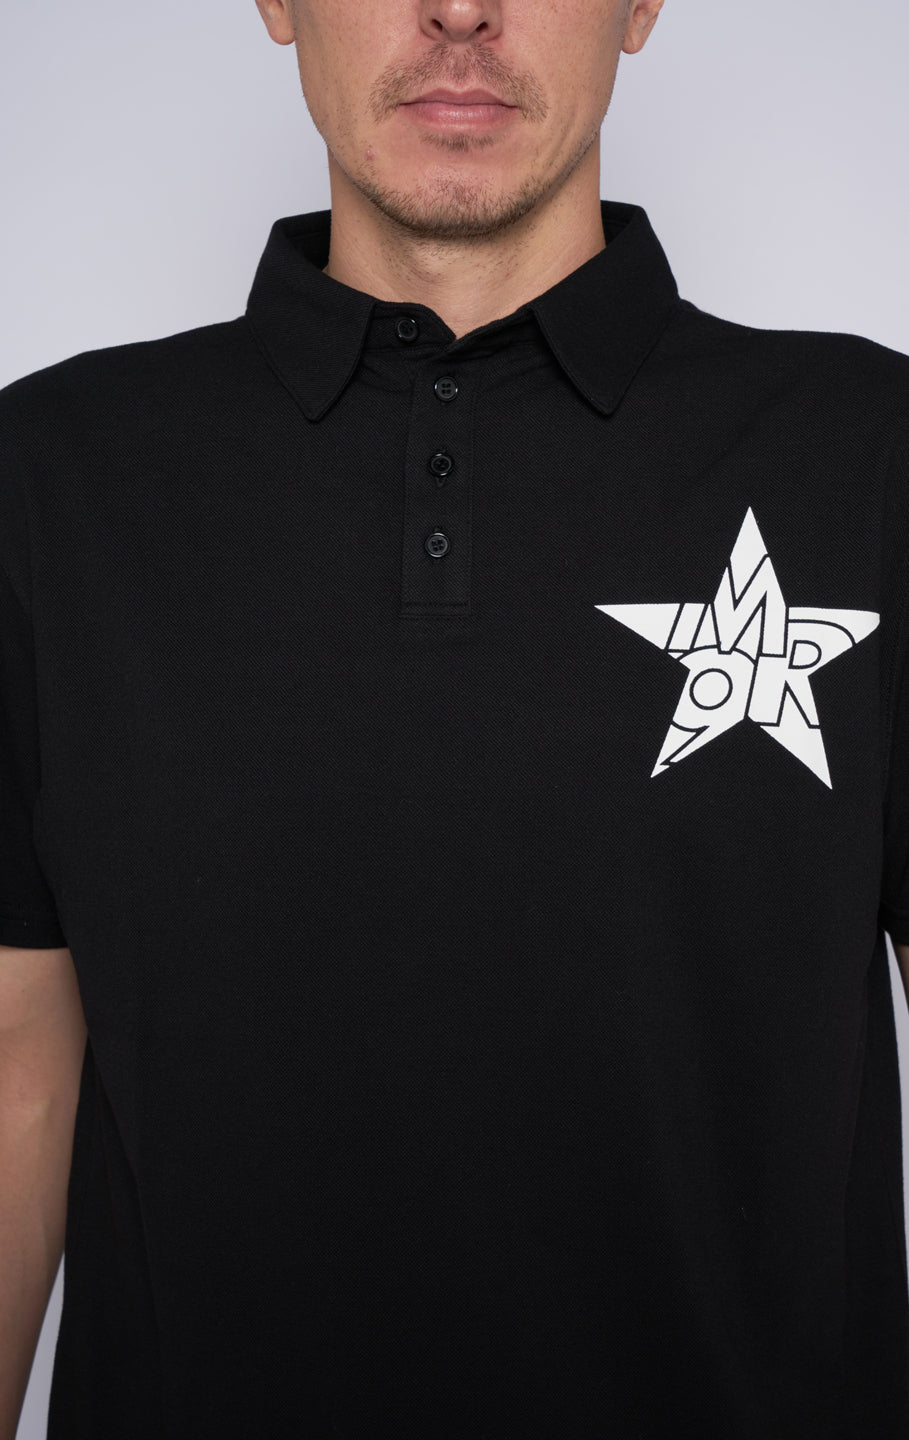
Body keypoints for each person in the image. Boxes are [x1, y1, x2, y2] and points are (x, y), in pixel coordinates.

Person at [2, 0, 908, 1435]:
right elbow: (15, 1082)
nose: (461, 9)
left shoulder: (872, 455)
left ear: (641, 4)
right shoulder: (49, 480)